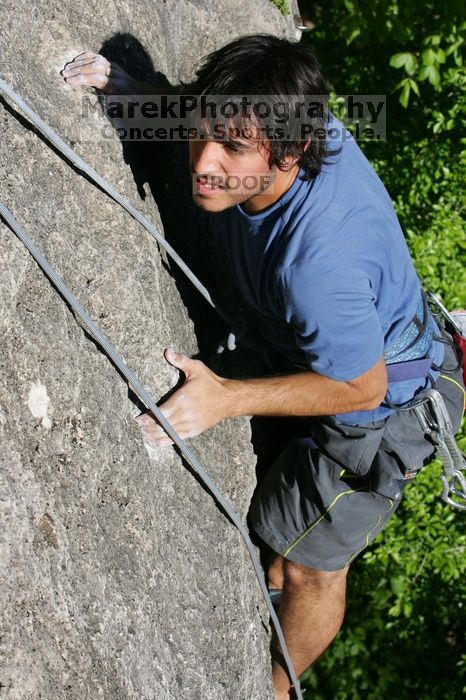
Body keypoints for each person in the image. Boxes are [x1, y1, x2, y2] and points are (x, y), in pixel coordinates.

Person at [62, 35, 465, 700]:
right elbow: (221, 110)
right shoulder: (282, 112)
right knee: (277, 543)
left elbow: (359, 386)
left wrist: (224, 399)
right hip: (328, 346)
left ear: (289, 154)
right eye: (204, 134)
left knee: (309, 569)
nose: (204, 164)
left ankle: (277, 690)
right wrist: (144, 100)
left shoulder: (317, 264)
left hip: (381, 405)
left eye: (233, 150)